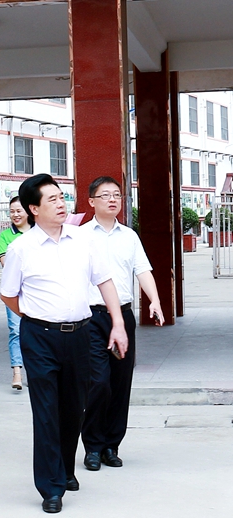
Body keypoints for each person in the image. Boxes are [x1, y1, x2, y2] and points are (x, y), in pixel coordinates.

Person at [0, 174, 128, 514]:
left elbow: (105, 281)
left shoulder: (83, 240)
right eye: (52, 199)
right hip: (40, 337)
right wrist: (36, 316)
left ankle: (66, 469)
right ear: (34, 209)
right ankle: (51, 487)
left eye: (61, 197)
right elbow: (9, 295)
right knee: (46, 411)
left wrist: (117, 324)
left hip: (81, 334)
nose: (61, 204)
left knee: (73, 408)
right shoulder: (21, 248)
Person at [79, 176, 163, 471]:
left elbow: (143, 270)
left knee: (119, 382)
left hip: (123, 318)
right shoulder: (80, 236)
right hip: (91, 319)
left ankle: (111, 445)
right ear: (91, 201)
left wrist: (155, 300)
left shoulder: (129, 236)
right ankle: (92, 446)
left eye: (116, 194)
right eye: (105, 195)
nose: (112, 199)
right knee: (98, 382)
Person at [0, 196, 34, 391]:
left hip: (36, 291)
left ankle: (34, 371)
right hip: (15, 291)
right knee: (16, 330)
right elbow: (5, 262)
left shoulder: (38, 232)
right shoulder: (5, 236)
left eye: (19, 210)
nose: (15, 214)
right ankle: (17, 372)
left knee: (36, 331)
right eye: (12, 211)